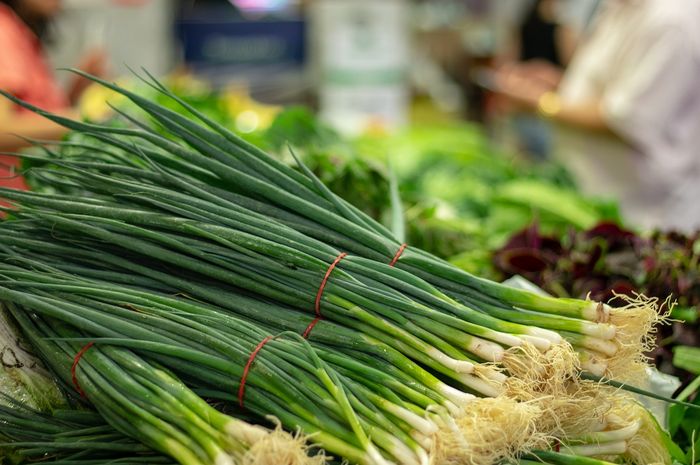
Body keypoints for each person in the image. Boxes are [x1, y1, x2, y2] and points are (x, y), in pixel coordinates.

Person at [495, 0, 700, 232]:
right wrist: (558, 86)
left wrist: (542, 102)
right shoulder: (617, 8)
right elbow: (612, 90)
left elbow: (625, 119)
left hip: (647, 214)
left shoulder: (670, 21)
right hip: (602, 201)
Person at [0, 0, 106, 189]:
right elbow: (2, 129)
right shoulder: (3, 31)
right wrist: (83, 119)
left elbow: (31, 112)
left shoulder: (17, 28)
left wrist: (76, 90)